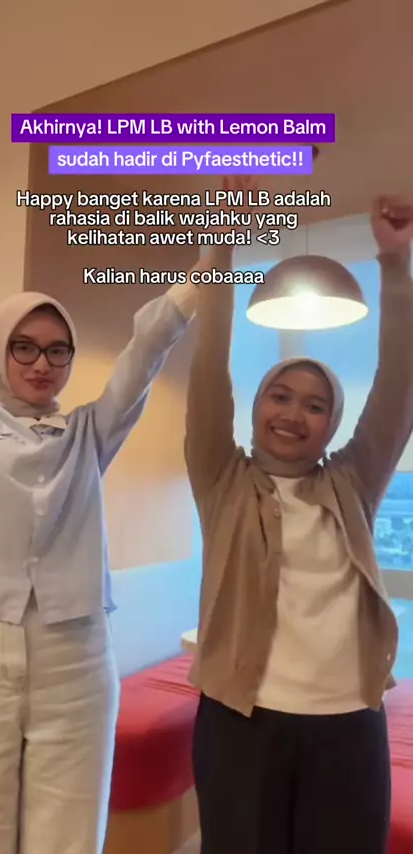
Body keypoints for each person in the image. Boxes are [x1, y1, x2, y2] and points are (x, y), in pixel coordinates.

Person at [0, 272, 201, 854]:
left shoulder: (89, 432)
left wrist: (202, 275)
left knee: (69, 840)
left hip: (75, 661)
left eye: (58, 350)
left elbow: (144, 355)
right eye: (23, 347)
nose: (41, 364)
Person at [185, 181, 413, 854]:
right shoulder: (221, 477)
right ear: (256, 407)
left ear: (332, 423)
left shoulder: (353, 482)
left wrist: (395, 264)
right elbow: (208, 368)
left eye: (315, 405)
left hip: (349, 722)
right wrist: (223, 243)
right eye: (279, 396)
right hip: (240, 721)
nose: (293, 413)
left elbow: (399, 387)